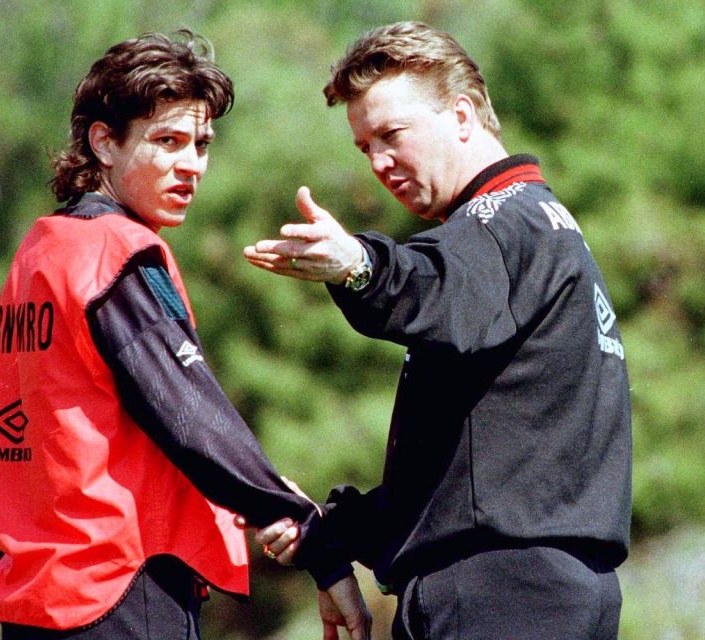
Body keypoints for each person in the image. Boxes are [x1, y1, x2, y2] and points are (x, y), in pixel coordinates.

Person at [0, 30, 370, 640]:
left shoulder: (41, 256)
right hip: (122, 592)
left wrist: (47, 515)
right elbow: (193, 419)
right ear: (103, 142)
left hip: (37, 601)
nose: (191, 165)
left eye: (201, 145)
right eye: (167, 142)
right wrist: (313, 537)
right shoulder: (117, 255)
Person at [243, 21, 632, 640]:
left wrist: (359, 265)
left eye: (392, 134)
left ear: (461, 115)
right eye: (364, 146)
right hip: (546, 594)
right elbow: (469, 487)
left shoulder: (500, 224)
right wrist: (329, 534)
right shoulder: (541, 228)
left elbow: (429, 286)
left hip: (502, 600)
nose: (377, 162)